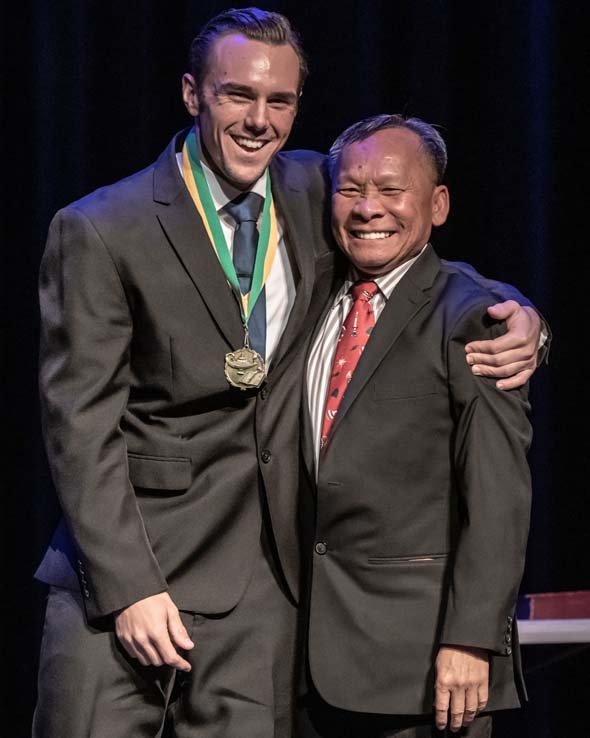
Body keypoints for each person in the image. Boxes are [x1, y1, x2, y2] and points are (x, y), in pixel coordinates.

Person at [33, 9, 542, 738]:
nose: (258, 121)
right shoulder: (101, 227)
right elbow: (78, 424)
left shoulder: (316, 189)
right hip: (129, 579)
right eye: (238, 95)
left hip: (263, 592)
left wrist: (524, 317)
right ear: (192, 94)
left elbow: (423, 264)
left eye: (280, 102)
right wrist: (128, 588)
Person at [298, 114, 536, 738]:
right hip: (299, 665)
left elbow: (499, 494)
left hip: (422, 673)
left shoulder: (473, 317)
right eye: (350, 189)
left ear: (437, 204)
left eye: (390, 189)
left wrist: (472, 639)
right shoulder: (311, 299)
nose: (368, 207)